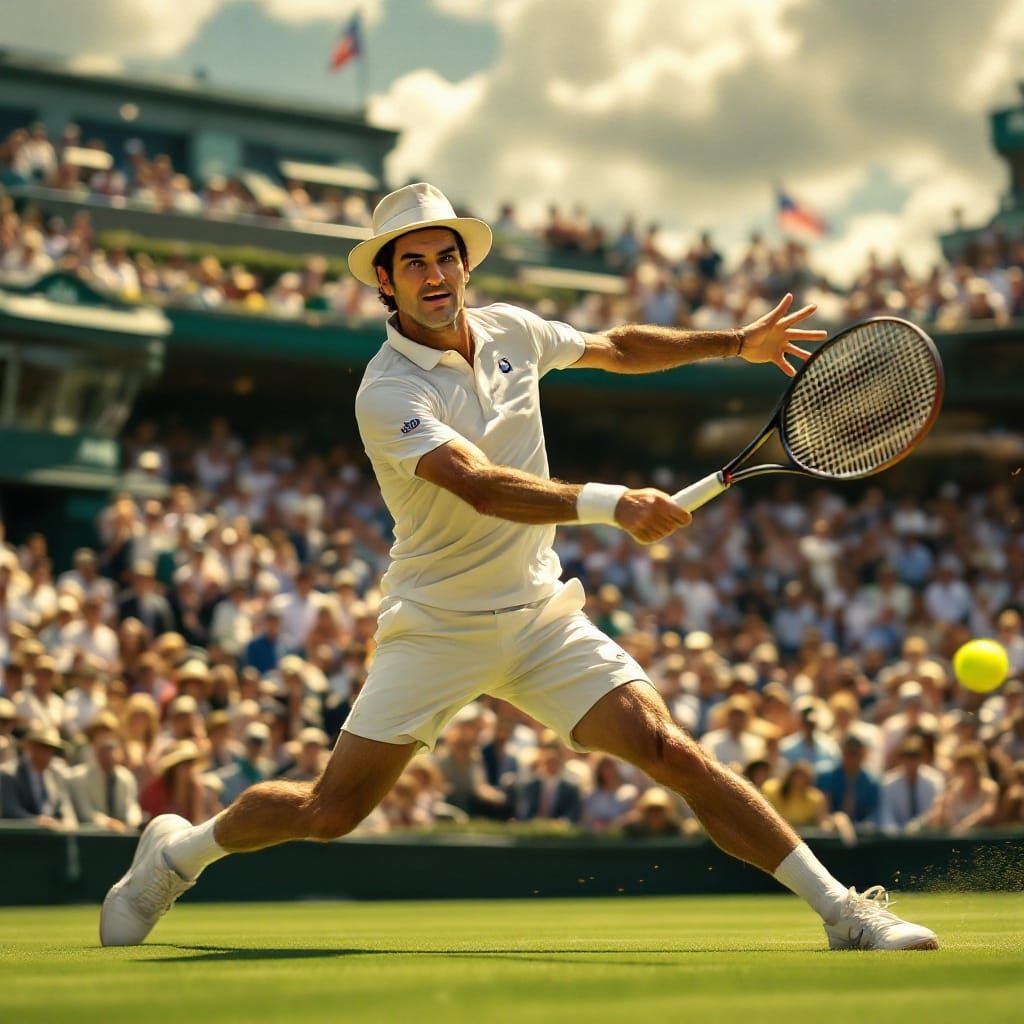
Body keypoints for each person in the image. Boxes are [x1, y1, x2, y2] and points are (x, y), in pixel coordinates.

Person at [101, 181, 937, 951]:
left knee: (668, 748)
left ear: (465, 266)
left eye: (446, 257)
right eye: (413, 263)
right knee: (330, 811)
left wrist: (735, 342)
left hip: (540, 617)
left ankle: (843, 911)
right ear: (385, 282)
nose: (435, 275)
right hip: (438, 625)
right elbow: (480, 486)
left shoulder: (513, 330)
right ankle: (177, 855)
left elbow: (616, 346)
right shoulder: (386, 391)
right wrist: (613, 502)